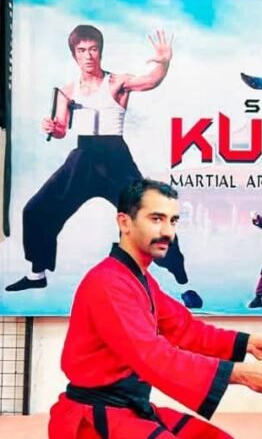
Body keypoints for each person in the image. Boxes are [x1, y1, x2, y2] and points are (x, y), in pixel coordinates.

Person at [19, 179, 262, 439]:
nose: (167, 231)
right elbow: (154, 358)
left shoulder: (139, 278)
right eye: (156, 219)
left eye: (173, 220)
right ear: (124, 222)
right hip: (94, 426)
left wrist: (249, 344)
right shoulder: (108, 283)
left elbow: (185, 329)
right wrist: (243, 374)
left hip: (129, 412)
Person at [6, 25, 203, 308]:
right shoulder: (66, 91)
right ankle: (37, 273)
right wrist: (52, 127)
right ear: (74, 54)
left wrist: (163, 62)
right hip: (83, 158)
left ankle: (179, 274)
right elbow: (61, 129)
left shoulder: (116, 82)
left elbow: (150, 81)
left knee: (149, 215)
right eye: (82, 50)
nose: (88, 55)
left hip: (116, 158)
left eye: (93, 49)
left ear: (100, 51)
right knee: (37, 210)